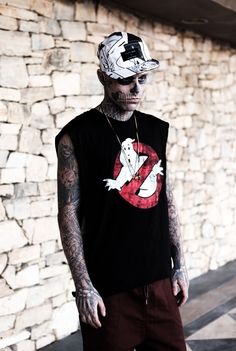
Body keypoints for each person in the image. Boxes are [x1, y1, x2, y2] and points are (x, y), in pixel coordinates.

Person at [56, 31, 189, 351]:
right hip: (110, 291)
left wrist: (180, 263)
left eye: (143, 78)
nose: (137, 88)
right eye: (126, 79)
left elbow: (166, 198)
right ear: (103, 77)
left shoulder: (156, 129)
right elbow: (68, 213)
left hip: (159, 284)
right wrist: (84, 286)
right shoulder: (77, 136)